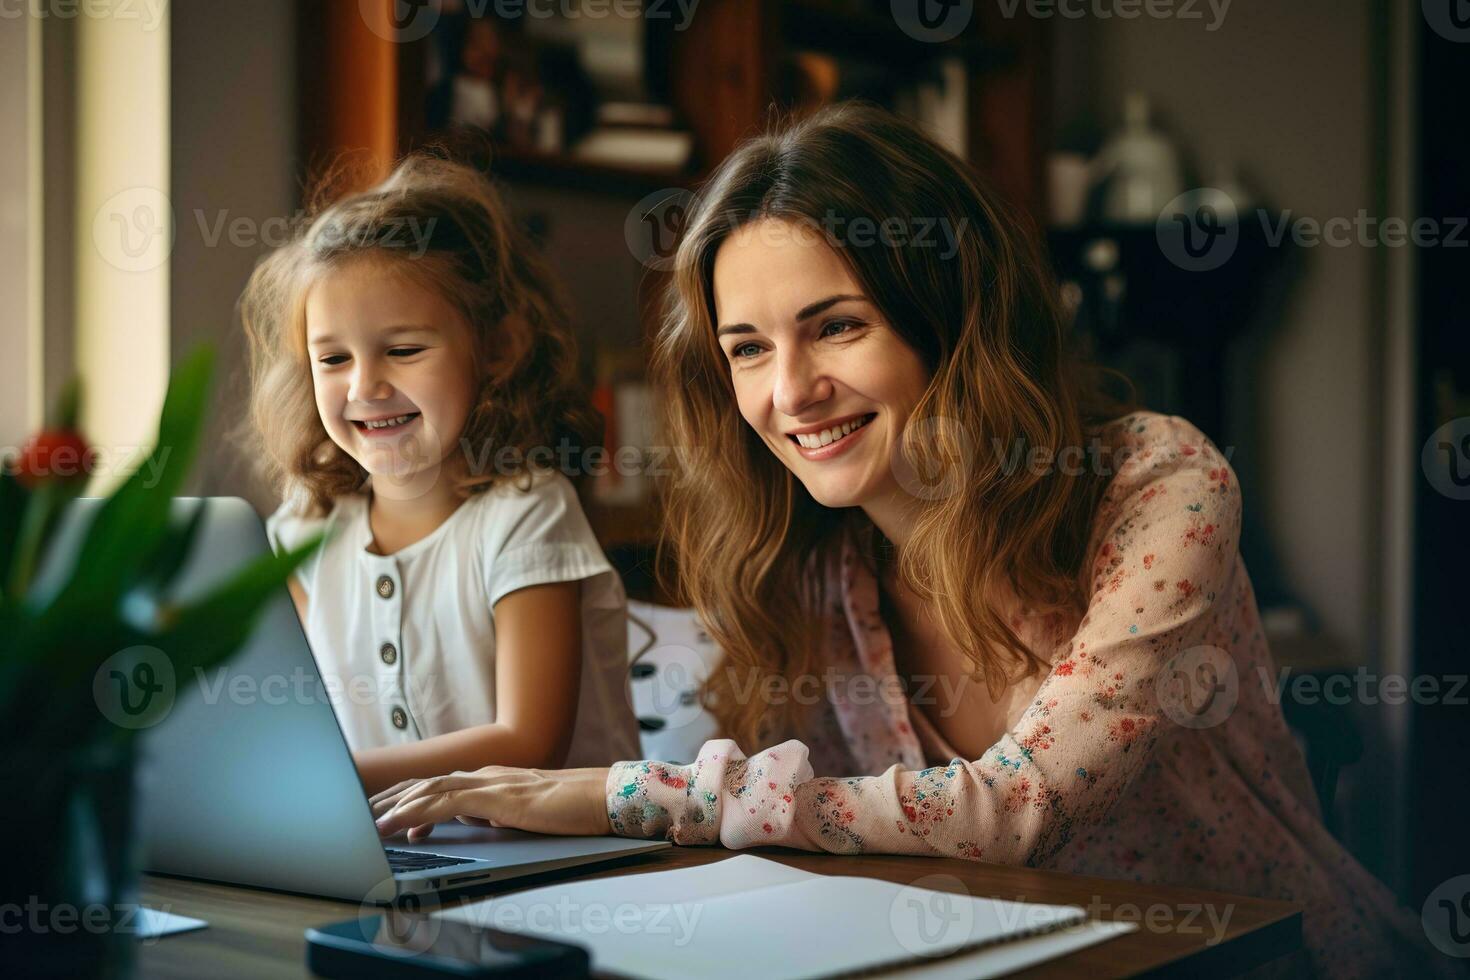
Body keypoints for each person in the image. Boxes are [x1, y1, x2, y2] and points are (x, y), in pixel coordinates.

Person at [370, 105, 1449, 977]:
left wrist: (610, 790)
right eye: (748, 348)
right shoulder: (807, 567)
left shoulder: (1156, 482)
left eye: (838, 323)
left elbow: (1014, 807)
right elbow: (811, 842)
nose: (790, 391)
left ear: (951, 313)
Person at [238, 145, 639, 796]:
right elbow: (301, 722)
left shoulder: (528, 513)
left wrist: (337, 780)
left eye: (403, 350)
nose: (365, 386)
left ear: (499, 349)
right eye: (333, 359)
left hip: (568, 868)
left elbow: (529, 742)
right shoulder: (304, 533)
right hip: (398, 857)